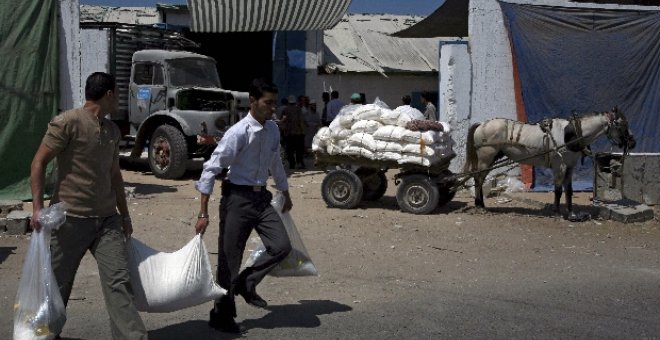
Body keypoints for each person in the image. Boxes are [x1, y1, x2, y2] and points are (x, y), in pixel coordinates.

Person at [29, 72, 147, 340]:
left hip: (107, 221)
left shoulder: (112, 130)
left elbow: (115, 175)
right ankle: (44, 334)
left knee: (119, 282)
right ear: (108, 94)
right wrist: (37, 208)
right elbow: (38, 162)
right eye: (117, 94)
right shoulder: (67, 123)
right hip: (69, 220)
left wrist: (125, 216)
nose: (118, 100)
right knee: (57, 286)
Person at [194, 78, 293, 334]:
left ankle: (246, 282)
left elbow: (276, 164)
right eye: (267, 103)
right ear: (252, 101)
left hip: (262, 200)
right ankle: (221, 314)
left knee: (281, 245)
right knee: (229, 260)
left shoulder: (272, 130)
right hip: (236, 200)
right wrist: (203, 212)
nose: (273, 109)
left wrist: (285, 191)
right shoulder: (238, 132)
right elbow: (211, 168)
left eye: (275, 103)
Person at [281, 94, 307, 169]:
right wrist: (303, 131)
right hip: (298, 133)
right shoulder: (298, 109)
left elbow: (283, 121)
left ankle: (292, 164)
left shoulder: (285, 110)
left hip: (289, 134)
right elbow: (301, 121)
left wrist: (284, 131)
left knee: (290, 150)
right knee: (299, 150)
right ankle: (299, 163)